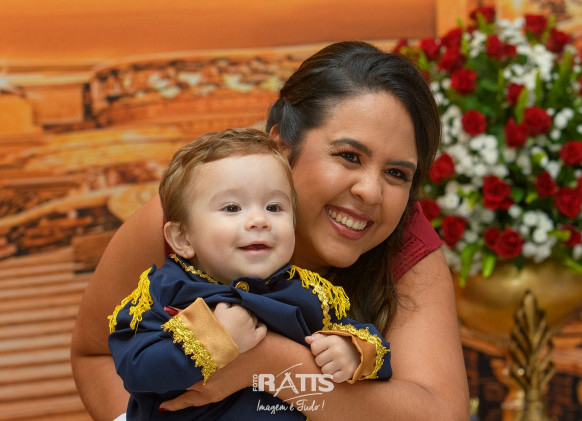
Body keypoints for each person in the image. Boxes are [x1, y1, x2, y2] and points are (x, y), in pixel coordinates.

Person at [71, 41, 469, 421]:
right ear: (280, 146)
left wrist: (266, 363)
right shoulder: (191, 220)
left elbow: (441, 414)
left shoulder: (406, 242)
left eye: (397, 173)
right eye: (349, 156)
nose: (371, 192)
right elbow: (97, 353)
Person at [108, 128, 392, 420]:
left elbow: (376, 349)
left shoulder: (309, 292)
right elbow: (135, 369)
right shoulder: (164, 290)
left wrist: (352, 351)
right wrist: (213, 337)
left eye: (274, 207)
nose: (259, 220)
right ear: (183, 238)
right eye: (232, 208)